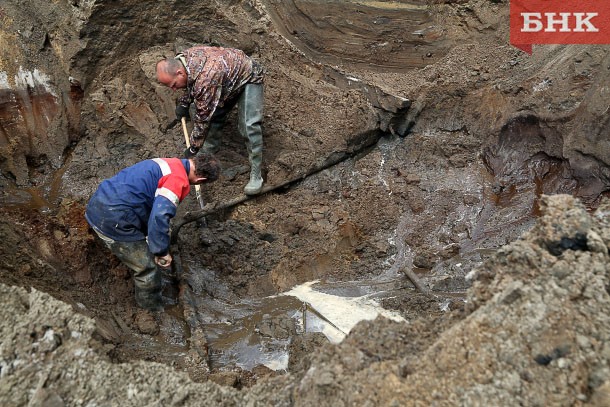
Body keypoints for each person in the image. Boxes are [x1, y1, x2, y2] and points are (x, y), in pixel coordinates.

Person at [85, 153, 221, 311]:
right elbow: (159, 215)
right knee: (147, 269)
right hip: (112, 218)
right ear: (201, 180)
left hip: (99, 201)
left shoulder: (169, 163)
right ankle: (151, 312)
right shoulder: (177, 181)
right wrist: (161, 251)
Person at [156, 45, 265, 195]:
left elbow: (203, 118)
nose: (174, 89)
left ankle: (256, 174)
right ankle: (207, 156)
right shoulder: (184, 59)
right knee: (213, 114)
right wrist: (184, 103)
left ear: (179, 72)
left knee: (248, 125)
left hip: (248, 75)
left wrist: (193, 147)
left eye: (174, 85)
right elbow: (191, 82)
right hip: (225, 78)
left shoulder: (207, 79)